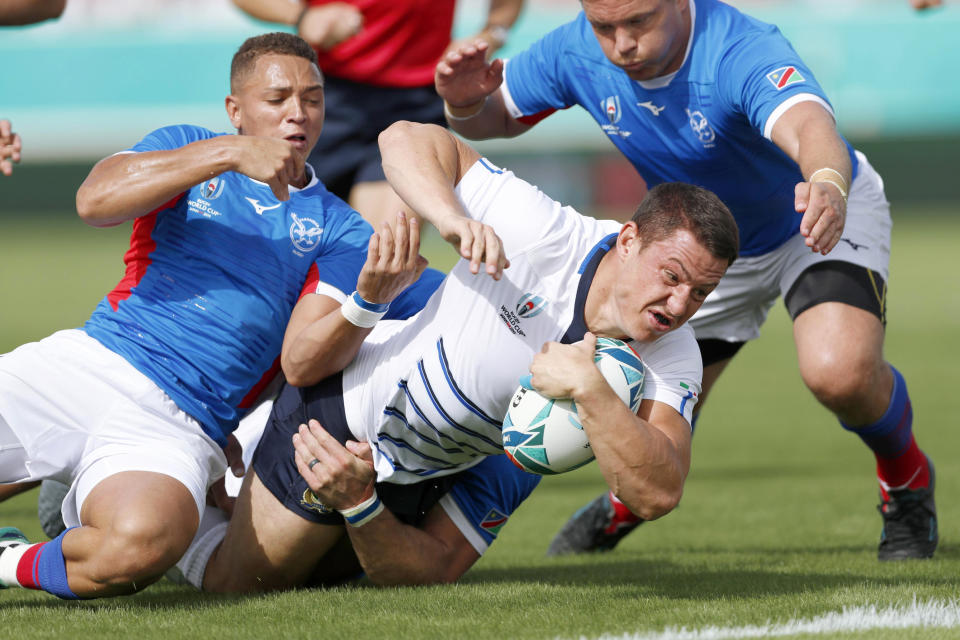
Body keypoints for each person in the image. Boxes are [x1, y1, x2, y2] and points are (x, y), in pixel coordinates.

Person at [434, 0, 936, 561]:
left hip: (812, 215)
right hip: (699, 262)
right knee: (652, 395)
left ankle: (908, 481)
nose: (621, 42)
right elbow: (492, 120)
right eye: (605, 27)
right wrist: (463, 102)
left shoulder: (736, 48)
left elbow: (808, 124)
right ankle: (627, 501)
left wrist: (825, 181)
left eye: (638, 22)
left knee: (838, 372)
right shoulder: (574, 47)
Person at [171, 120, 739, 592]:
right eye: (672, 277)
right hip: (343, 420)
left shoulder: (674, 353)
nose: (680, 303)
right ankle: (189, 481)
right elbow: (402, 138)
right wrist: (453, 219)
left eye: (700, 292)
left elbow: (659, 492)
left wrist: (591, 389)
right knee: (241, 587)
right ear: (628, 239)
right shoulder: (541, 233)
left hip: (437, 470)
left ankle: (249, 482)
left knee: (378, 575)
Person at [0, 32, 436, 600]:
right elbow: (95, 201)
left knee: (139, 547)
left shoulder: (340, 228)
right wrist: (228, 153)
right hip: (93, 363)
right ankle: (57, 483)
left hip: (180, 424)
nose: (297, 114)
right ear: (236, 110)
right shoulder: (186, 145)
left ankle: (11, 557)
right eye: (277, 99)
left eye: (313, 98)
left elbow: (302, 355)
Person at [230, 0, 524, 228]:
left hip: (415, 103)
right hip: (327, 98)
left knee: (381, 250)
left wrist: (491, 34)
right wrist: (301, 16)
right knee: (280, 241)